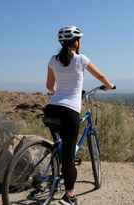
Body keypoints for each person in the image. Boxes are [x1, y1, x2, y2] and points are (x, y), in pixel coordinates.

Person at [44, 25, 115, 205]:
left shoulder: (53, 60)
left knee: (59, 145)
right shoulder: (81, 59)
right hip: (69, 112)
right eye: (80, 39)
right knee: (69, 156)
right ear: (76, 42)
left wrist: (57, 92)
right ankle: (70, 195)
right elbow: (101, 77)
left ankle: (51, 171)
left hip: (52, 109)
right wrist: (109, 86)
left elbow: (49, 86)